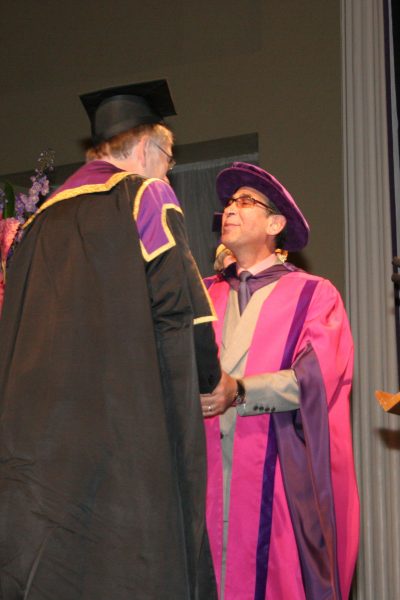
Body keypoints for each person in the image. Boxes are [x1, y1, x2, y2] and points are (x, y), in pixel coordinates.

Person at [0, 80, 221, 599]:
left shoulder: (32, 229)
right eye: (167, 157)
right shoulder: (145, 195)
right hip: (124, 440)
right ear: (145, 150)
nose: (167, 169)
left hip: (39, 452)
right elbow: (182, 310)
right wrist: (213, 380)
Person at [200, 162, 360, 600]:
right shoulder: (202, 294)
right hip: (206, 481)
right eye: (228, 203)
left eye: (245, 201)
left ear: (275, 223)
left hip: (276, 481)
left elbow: (318, 377)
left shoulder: (313, 294)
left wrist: (242, 390)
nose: (230, 209)